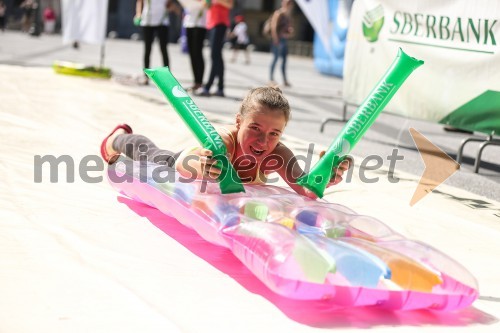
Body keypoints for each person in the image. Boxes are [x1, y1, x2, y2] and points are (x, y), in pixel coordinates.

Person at [100, 87, 351, 199]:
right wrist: (207, 166)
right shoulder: (223, 142)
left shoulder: (279, 155)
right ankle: (116, 138)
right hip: (177, 166)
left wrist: (326, 174)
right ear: (239, 122)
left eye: (275, 133)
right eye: (255, 128)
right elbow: (205, 164)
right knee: (151, 153)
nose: (264, 140)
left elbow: (305, 188)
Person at [195, 0, 233, 97]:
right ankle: (220, 88)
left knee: (214, 55)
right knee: (217, 56)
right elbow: (205, 6)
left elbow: (230, 5)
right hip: (211, 24)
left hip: (220, 23)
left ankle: (208, 87)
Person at [135, 0, 176, 85]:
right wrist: (138, 14)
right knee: (147, 50)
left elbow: (171, 5)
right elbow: (140, 1)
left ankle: (168, 77)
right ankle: (146, 77)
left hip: (162, 21)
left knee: (163, 49)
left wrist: (171, 6)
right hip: (148, 21)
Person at [182, 0, 208, 91]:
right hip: (189, 23)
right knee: (192, 53)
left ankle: (200, 81)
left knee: (198, 52)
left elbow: (207, 5)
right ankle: (195, 82)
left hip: (200, 24)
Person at [269, 0, 294, 87]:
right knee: (275, 59)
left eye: (290, 4)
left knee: (284, 60)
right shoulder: (279, 13)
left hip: (284, 40)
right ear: (283, 4)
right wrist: (275, 39)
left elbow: (288, 28)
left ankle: (285, 80)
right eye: (287, 3)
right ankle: (271, 79)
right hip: (278, 40)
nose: (288, 6)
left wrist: (289, 31)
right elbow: (273, 26)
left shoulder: (288, 16)